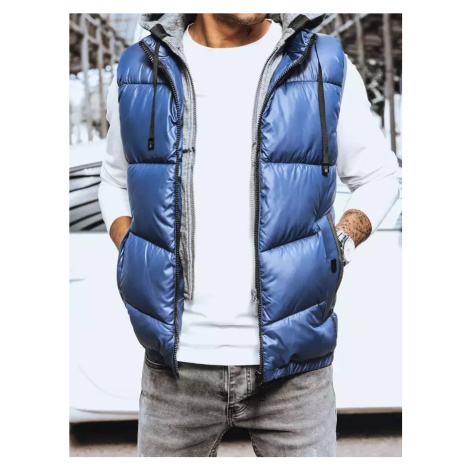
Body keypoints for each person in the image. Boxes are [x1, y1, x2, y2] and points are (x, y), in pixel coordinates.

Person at [98, 13, 400, 457]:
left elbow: (380, 176)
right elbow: (114, 179)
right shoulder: (139, 68)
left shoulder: (323, 62)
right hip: (175, 368)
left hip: (296, 372)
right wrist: (130, 248)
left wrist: (337, 245)